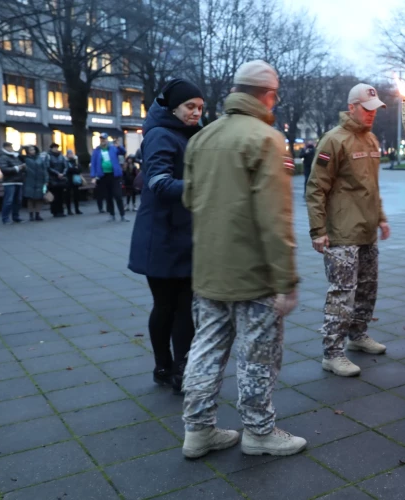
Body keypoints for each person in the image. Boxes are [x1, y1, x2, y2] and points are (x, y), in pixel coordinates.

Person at [181, 60, 306, 459]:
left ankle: (198, 430)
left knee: (205, 349)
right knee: (257, 356)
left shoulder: (202, 138)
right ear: (268, 94)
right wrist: (286, 280)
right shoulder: (267, 139)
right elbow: (275, 218)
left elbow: (188, 199)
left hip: (208, 269)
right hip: (253, 274)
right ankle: (258, 432)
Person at [306, 83, 391, 377]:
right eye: (366, 110)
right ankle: (332, 353)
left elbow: (372, 186)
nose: (371, 115)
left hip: (366, 229)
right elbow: (316, 188)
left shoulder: (371, 141)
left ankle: (358, 335)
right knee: (342, 293)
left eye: (375, 110)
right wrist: (318, 229)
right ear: (352, 107)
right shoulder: (334, 140)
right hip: (341, 231)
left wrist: (381, 217)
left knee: (368, 289)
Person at [129, 78, 203, 395]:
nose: (196, 112)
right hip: (161, 237)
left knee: (183, 306)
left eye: (200, 107)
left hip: (183, 235)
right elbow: (158, 183)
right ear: (173, 108)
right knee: (167, 306)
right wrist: (206, 188)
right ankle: (166, 366)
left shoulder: (191, 134)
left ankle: (179, 369)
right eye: (190, 106)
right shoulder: (161, 134)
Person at [91, 133, 128, 222]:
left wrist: (119, 146)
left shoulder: (113, 148)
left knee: (118, 195)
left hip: (114, 175)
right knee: (108, 196)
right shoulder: (96, 150)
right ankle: (112, 214)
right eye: (101, 139)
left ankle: (122, 215)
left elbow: (123, 152)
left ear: (107, 140)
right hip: (103, 176)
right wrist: (93, 176)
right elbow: (93, 164)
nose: (103, 140)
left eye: (104, 139)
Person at [0, 142, 25, 224]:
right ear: (5, 148)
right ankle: (5, 218)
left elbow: (20, 166)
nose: (11, 148)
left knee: (18, 200)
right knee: (8, 200)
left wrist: (22, 167)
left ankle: (16, 217)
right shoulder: (3, 157)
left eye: (11, 146)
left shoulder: (15, 156)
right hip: (9, 182)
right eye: (9, 147)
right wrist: (17, 168)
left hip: (18, 181)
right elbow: (4, 169)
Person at [22, 145, 49, 222]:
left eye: (33, 149)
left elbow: (44, 170)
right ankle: (31, 215)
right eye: (30, 149)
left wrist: (46, 180)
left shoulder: (40, 159)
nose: (32, 151)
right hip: (29, 181)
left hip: (40, 180)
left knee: (39, 199)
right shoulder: (25, 159)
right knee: (30, 199)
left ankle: (37, 214)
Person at [46, 143, 70, 218]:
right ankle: (55, 211)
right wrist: (57, 173)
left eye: (56, 147)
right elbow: (48, 167)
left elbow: (65, 165)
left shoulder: (61, 156)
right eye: (54, 148)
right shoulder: (48, 156)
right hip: (53, 178)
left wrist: (63, 173)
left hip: (61, 178)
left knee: (61, 195)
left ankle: (61, 211)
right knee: (54, 195)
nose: (56, 149)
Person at [65, 150, 83, 215]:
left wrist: (73, 169)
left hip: (75, 180)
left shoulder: (76, 161)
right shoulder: (65, 161)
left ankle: (77, 209)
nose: (71, 155)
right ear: (67, 155)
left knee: (76, 195)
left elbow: (80, 169)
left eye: (71, 153)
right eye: (69, 154)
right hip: (68, 180)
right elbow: (67, 170)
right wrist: (74, 169)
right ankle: (69, 210)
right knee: (68, 196)